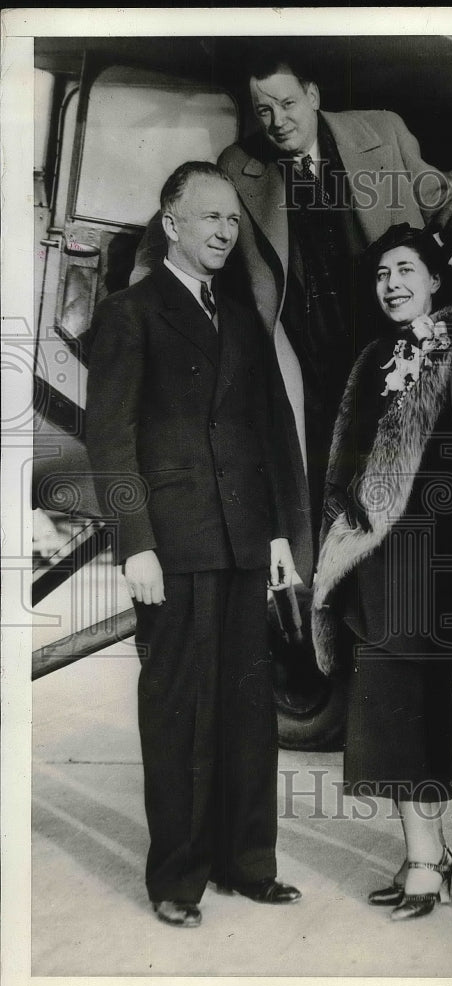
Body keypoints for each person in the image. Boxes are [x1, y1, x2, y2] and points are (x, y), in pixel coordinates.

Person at [132, 50, 452, 555]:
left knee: (409, 478)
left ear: (314, 96)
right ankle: (329, 604)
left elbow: (445, 203)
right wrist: (145, 300)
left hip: (389, 339)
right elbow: (169, 228)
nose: (278, 122)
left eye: (287, 103)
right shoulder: (240, 166)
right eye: (264, 111)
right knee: (326, 482)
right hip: (307, 354)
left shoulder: (383, 133)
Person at [85, 161, 310, 928]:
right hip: (172, 547)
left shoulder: (243, 318)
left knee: (248, 714)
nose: (223, 231)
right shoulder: (129, 313)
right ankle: (176, 879)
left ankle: (247, 864)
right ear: (171, 223)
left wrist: (281, 533)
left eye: (232, 220)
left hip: (247, 542)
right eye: (208, 217)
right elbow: (108, 441)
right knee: (178, 712)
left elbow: (271, 432)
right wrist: (134, 542)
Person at [311, 223, 452, 921]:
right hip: (377, 558)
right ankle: (426, 853)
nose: (390, 283)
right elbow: (346, 461)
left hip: (437, 558)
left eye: (404, 269)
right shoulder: (372, 359)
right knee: (385, 710)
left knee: (415, 706)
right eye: (381, 273)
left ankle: (427, 860)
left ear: (435, 278)